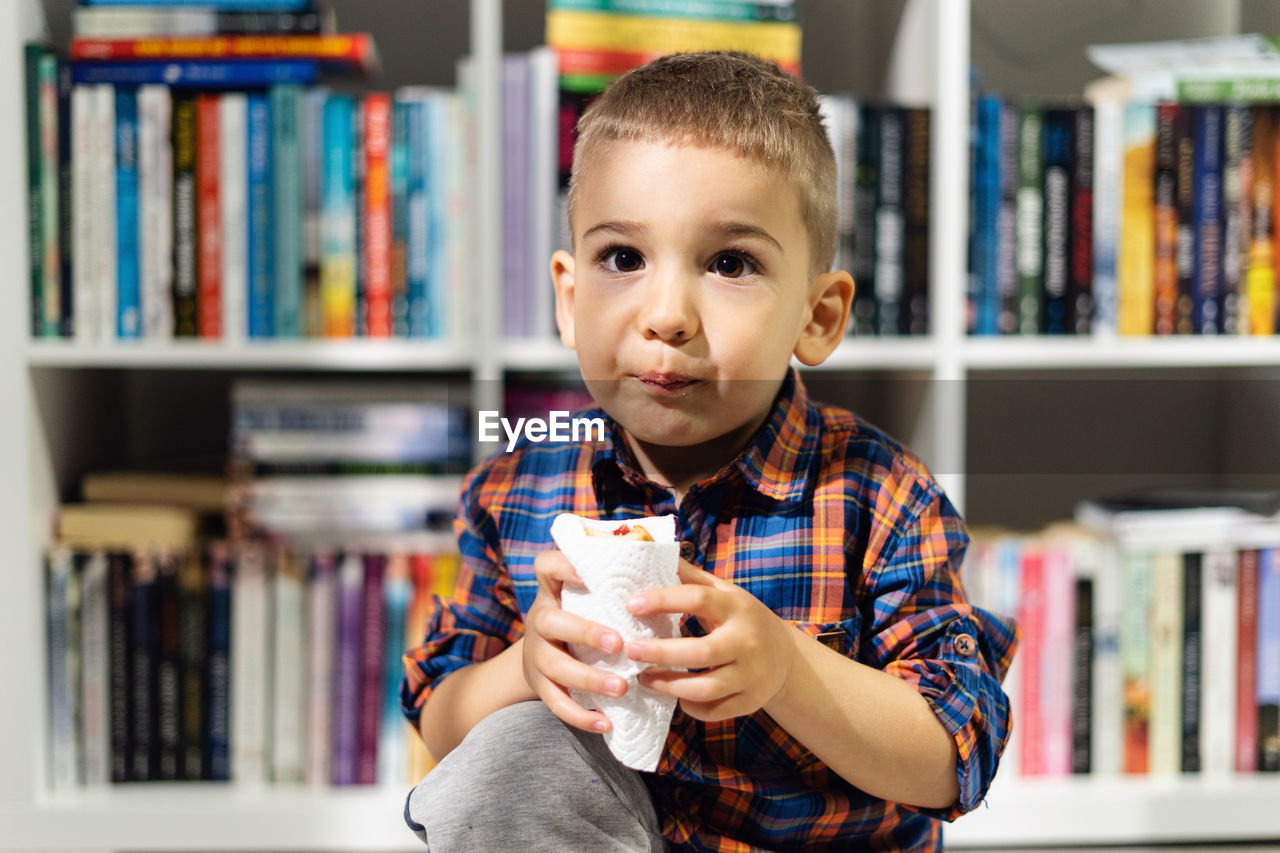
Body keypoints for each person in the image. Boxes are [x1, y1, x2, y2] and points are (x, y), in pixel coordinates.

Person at [401, 51, 1017, 852]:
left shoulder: (880, 493)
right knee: (512, 753)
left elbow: (954, 755)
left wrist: (787, 670)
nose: (666, 314)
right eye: (623, 258)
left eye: (730, 263)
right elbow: (441, 716)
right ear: (570, 294)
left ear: (817, 316)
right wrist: (527, 667)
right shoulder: (515, 489)